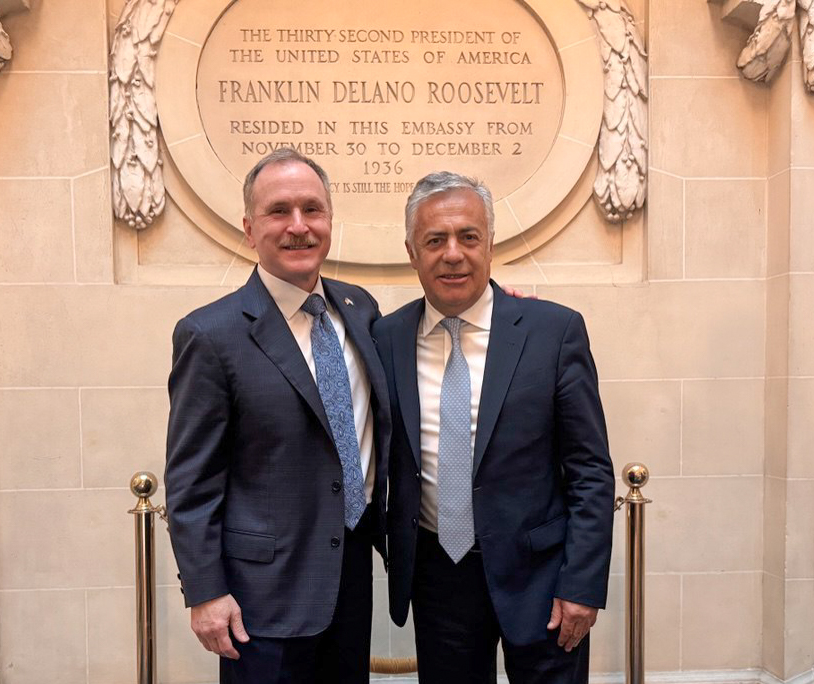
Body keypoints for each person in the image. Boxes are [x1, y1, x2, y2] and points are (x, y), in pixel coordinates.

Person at [374, 171, 615, 684]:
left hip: (544, 577)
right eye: (434, 240)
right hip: (438, 577)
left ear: (490, 242)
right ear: (412, 252)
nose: (453, 253)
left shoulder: (553, 332)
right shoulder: (385, 338)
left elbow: (590, 470)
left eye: (468, 236)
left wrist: (583, 585)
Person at [164, 149, 391, 683]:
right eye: (279, 211)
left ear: (330, 221)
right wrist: (206, 592)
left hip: (350, 581)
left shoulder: (361, 310)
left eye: (312, 209)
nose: (298, 226)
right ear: (249, 228)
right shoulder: (210, 335)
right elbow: (191, 481)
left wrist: (503, 311)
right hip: (259, 600)